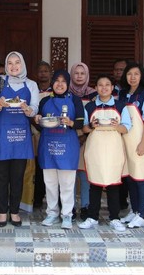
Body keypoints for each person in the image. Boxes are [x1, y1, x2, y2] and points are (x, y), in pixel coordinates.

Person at [0, 51, 39, 227]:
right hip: (1, 134)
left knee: (17, 176)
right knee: (1, 176)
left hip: (21, 135)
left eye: (17, 62)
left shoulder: (31, 84)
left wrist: (28, 110)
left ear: (22, 64)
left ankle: (14, 212)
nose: (14, 66)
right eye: (10, 63)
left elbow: (35, 109)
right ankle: (2, 212)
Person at [78, 74, 131, 232]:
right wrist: (91, 125)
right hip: (95, 148)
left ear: (112, 88)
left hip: (114, 149)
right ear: (96, 88)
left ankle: (114, 218)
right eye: (100, 85)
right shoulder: (89, 106)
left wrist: (117, 125)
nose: (104, 88)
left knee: (113, 183)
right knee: (95, 182)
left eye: (107, 85)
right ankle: (92, 217)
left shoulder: (121, 106)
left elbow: (126, 127)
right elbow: (84, 128)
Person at [35, 69, 83, 229]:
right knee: (50, 183)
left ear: (68, 84)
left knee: (67, 184)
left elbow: (80, 123)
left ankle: (67, 215)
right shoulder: (44, 101)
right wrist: (36, 119)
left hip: (67, 147)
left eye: (63, 81)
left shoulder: (75, 100)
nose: (60, 84)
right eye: (57, 81)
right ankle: (52, 213)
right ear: (52, 82)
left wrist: (70, 123)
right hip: (48, 146)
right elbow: (40, 126)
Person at [117, 62, 144, 229]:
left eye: (136, 74)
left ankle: (142, 214)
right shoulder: (123, 94)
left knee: (140, 178)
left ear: (141, 76)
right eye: (129, 74)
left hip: (138, 141)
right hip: (125, 141)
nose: (132, 77)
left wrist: (142, 143)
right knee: (130, 177)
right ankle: (134, 209)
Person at [69, 62, 96, 221]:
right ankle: (70, 206)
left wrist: (84, 135)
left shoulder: (93, 94)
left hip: (89, 138)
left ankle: (86, 206)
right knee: (70, 173)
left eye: (82, 73)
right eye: (76, 73)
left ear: (87, 76)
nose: (79, 76)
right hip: (70, 138)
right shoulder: (66, 93)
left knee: (85, 174)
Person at [112, 58, 133, 210]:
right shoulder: (108, 89)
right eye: (117, 70)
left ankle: (129, 202)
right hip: (111, 136)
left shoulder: (129, 91)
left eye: (122, 70)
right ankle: (118, 200)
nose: (119, 73)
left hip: (129, 134)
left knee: (128, 169)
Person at [32, 60, 53, 210]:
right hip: (35, 131)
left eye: (46, 71)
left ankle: (52, 200)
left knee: (51, 165)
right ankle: (37, 197)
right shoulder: (33, 90)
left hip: (52, 133)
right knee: (37, 166)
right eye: (40, 71)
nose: (43, 73)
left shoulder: (56, 90)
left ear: (50, 73)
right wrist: (38, 126)